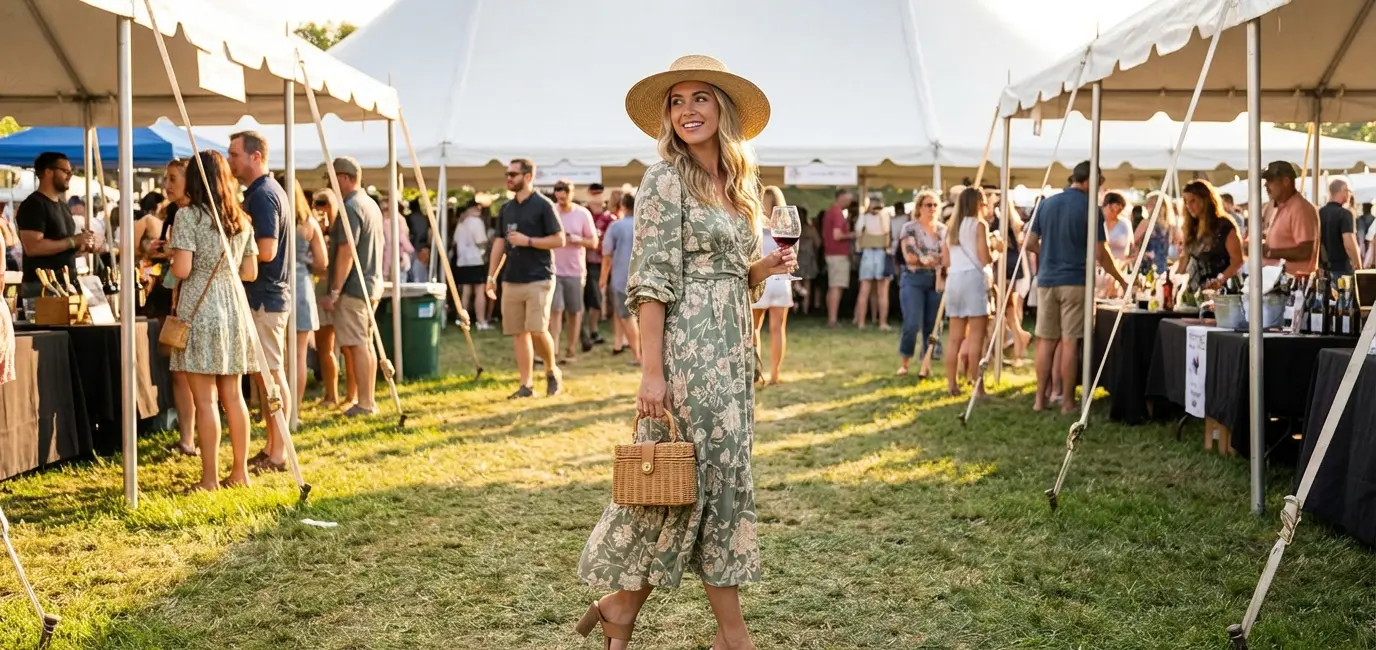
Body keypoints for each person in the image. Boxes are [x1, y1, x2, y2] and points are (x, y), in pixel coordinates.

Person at [577, 55, 795, 650]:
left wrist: (762, 267)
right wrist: (652, 372)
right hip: (688, 350)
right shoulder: (663, 179)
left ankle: (621, 606)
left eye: (700, 98)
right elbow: (651, 281)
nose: (688, 111)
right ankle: (734, 635)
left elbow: (726, 274)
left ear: (722, 108)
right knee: (696, 480)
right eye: (677, 101)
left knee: (706, 483)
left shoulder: (735, 182)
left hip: (732, 345)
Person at [167, 151, 260, 492]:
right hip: (233, 307)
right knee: (233, 396)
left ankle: (209, 479)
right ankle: (240, 473)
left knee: (205, 401)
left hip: (200, 306)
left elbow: (183, 269)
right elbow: (250, 272)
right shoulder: (242, 219)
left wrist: (171, 253)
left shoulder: (188, 217)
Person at [1025, 162, 1127, 414]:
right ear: (1089, 182)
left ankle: (1040, 399)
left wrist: (1050, 253)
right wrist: (1123, 280)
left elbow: (1029, 242)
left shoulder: (1047, 203)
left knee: (1045, 341)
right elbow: (1101, 254)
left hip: (1047, 279)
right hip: (1075, 281)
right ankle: (1068, 402)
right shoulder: (1090, 208)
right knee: (1070, 342)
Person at [227, 130, 293, 473]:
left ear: (256, 156)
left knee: (271, 375)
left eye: (234, 154)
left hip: (265, 297)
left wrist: (232, 261)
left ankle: (280, 452)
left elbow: (266, 251)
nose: (229, 160)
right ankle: (273, 447)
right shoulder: (262, 192)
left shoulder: (264, 195)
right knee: (266, 375)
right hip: (266, 296)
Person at [485, 159, 565, 399]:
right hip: (512, 279)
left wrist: (528, 241)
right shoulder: (506, 208)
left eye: (513, 174)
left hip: (539, 277)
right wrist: (491, 277)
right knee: (519, 332)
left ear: (528, 176)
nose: (508, 178)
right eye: (507, 174)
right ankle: (526, 385)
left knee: (537, 329)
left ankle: (551, 370)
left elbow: (559, 239)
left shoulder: (544, 205)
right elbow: (500, 243)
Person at [320, 157, 384, 417]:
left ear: (344, 178)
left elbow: (346, 251)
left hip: (355, 288)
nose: (331, 185)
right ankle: (366, 400)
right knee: (364, 344)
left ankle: (366, 403)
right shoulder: (370, 204)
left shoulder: (350, 206)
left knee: (358, 344)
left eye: (333, 179)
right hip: (371, 284)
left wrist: (334, 291)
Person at [149, 161, 196, 456]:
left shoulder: (192, 215)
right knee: (177, 371)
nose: (167, 184)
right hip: (169, 295)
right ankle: (186, 438)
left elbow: (184, 261)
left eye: (173, 178)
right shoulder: (172, 212)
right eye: (165, 178)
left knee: (189, 373)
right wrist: (155, 250)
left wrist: (168, 252)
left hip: (186, 298)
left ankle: (190, 438)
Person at [280, 174, 326, 421]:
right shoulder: (309, 224)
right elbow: (322, 262)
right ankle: (293, 412)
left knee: (277, 356)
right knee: (298, 356)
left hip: (275, 287)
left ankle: (275, 411)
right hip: (301, 287)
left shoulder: (273, 219)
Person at [17, 152, 93, 298]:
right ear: (48, 172)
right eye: (65, 171)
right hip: (42, 287)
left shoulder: (63, 206)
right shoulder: (34, 205)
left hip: (65, 284)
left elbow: (62, 245)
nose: (70, 175)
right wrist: (73, 241)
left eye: (71, 171)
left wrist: (83, 243)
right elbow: (33, 247)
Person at [942, 187, 992, 397]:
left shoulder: (950, 227)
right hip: (973, 278)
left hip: (954, 279)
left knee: (954, 338)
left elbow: (946, 260)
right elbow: (984, 258)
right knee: (976, 338)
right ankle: (977, 387)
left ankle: (951, 384)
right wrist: (996, 249)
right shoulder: (979, 225)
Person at [896, 190, 945, 378]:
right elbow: (910, 257)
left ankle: (926, 364)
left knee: (932, 326)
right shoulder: (909, 228)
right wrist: (930, 259)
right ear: (919, 207)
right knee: (911, 322)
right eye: (928, 205)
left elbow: (946, 256)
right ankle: (905, 362)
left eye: (934, 205)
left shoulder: (942, 230)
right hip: (913, 279)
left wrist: (929, 259)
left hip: (936, 280)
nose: (932, 208)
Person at [550, 180, 598, 363]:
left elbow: (593, 242)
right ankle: (553, 350)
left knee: (574, 311)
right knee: (555, 309)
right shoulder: (551, 211)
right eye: (558, 195)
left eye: (565, 195)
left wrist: (577, 239)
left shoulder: (582, 214)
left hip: (575, 270)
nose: (561, 199)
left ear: (571, 194)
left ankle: (571, 349)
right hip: (554, 269)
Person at [311, 189, 351, 406]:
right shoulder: (334, 231)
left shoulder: (333, 232)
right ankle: (336, 394)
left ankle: (334, 395)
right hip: (331, 291)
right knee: (333, 347)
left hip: (328, 291)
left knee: (331, 347)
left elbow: (324, 265)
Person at [752, 186, 793, 385]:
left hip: (760, 278)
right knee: (778, 329)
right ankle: (775, 373)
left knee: (754, 329)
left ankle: (756, 373)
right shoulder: (787, 225)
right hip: (781, 282)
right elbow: (792, 257)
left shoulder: (754, 224)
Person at [1177, 180, 1244, 291]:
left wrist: (1219, 280)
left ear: (1205, 200)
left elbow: (1237, 261)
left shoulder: (1224, 225)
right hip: (1195, 292)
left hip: (1222, 292)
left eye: (1193, 201)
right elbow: (1185, 257)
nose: (1188, 206)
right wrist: (1175, 280)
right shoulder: (1191, 227)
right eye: (1186, 201)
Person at [599, 192, 640, 364]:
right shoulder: (645, 224)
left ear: (622, 206)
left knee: (626, 317)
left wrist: (602, 278)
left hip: (622, 278)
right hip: (645, 278)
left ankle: (638, 356)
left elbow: (607, 254)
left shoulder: (616, 226)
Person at [989, 199, 1030, 367]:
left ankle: (1019, 342)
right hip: (1011, 266)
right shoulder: (1014, 223)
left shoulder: (998, 223)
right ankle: (1017, 346)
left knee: (1006, 310)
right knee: (1008, 310)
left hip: (1003, 267)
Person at [1261, 160, 1320, 276]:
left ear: (1286, 181)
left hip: (1294, 284)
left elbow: (1306, 251)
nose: (1266, 185)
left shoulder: (1301, 209)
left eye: (1270, 181)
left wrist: (1269, 252)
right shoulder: (1277, 207)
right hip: (1278, 281)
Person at [853, 192, 891, 330]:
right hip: (881, 251)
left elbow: (858, 231)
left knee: (864, 289)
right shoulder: (885, 215)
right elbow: (886, 230)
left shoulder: (864, 216)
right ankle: (882, 323)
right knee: (882, 291)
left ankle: (861, 323)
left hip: (867, 253)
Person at [451, 200, 491, 330]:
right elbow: (481, 241)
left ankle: (462, 319)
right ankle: (481, 321)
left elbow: (455, 241)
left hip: (462, 260)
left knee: (466, 291)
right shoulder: (476, 222)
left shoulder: (461, 223)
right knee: (480, 290)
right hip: (475, 259)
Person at [584, 195, 617, 348]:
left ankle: (616, 335)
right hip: (591, 262)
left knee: (612, 297)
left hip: (610, 261)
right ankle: (593, 330)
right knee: (595, 297)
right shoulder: (585, 214)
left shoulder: (610, 218)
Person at [822, 189, 855, 327]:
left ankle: (832, 318)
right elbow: (837, 235)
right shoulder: (837, 213)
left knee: (833, 286)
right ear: (841, 197)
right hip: (837, 254)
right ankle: (833, 320)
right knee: (836, 286)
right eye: (848, 197)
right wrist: (853, 235)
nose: (850, 201)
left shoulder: (832, 211)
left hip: (831, 253)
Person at [1319, 178, 1362, 277]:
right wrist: (1358, 265)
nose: (1349, 195)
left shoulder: (1320, 213)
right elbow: (1349, 244)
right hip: (1343, 269)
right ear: (1344, 191)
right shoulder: (1345, 214)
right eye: (1349, 191)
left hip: (1325, 269)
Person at [1100, 192, 1134, 298]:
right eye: (1112, 209)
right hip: (1099, 271)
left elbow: (1131, 248)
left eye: (1119, 210)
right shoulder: (1098, 223)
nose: (1115, 213)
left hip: (1119, 268)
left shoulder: (1124, 224)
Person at [793, 205, 820, 313]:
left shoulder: (790, 230)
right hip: (808, 259)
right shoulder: (811, 230)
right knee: (807, 284)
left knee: (793, 284)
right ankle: (805, 309)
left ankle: (794, 308)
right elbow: (819, 243)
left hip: (795, 258)